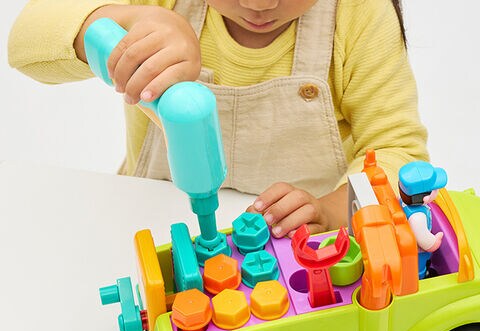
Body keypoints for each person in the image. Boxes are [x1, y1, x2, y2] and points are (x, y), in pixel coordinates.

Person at [8, 0, 429, 238]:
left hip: (300, 243)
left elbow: (398, 151)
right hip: (152, 222)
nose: (259, 4)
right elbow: (25, 42)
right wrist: (128, 23)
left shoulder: (358, 14)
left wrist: (333, 211)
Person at [398, 161, 447, 279]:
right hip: (417, 251)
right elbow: (424, 240)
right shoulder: (417, 217)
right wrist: (435, 241)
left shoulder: (402, 200)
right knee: (418, 267)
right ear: (425, 198)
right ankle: (420, 277)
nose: (437, 191)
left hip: (404, 245)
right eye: (435, 189)